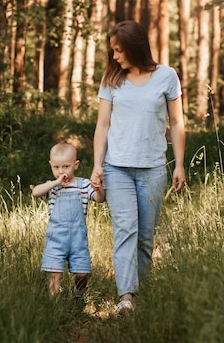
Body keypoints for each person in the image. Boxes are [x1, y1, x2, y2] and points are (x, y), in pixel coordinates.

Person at [90, 20, 186, 314]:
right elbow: (103, 124)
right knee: (125, 231)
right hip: (117, 168)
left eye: (119, 50)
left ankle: (140, 292)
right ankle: (126, 298)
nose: (115, 56)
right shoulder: (112, 79)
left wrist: (179, 164)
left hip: (153, 168)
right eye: (113, 51)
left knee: (145, 236)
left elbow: (177, 123)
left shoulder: (167, 77)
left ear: (134, 47)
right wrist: (97, 165)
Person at [32, 142, 105, 300]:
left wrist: (100, 189)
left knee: (83, 273)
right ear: (50, 165)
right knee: (54, 272)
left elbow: (100, 199)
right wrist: (56, 183)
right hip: (55, 238)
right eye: (56, 167)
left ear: (76, 165)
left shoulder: (83, 185)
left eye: (66, 166)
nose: (61, 171)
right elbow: (35, 192)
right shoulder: (51, 187)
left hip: (78, 239)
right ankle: (55, 304)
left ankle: (78, 295)